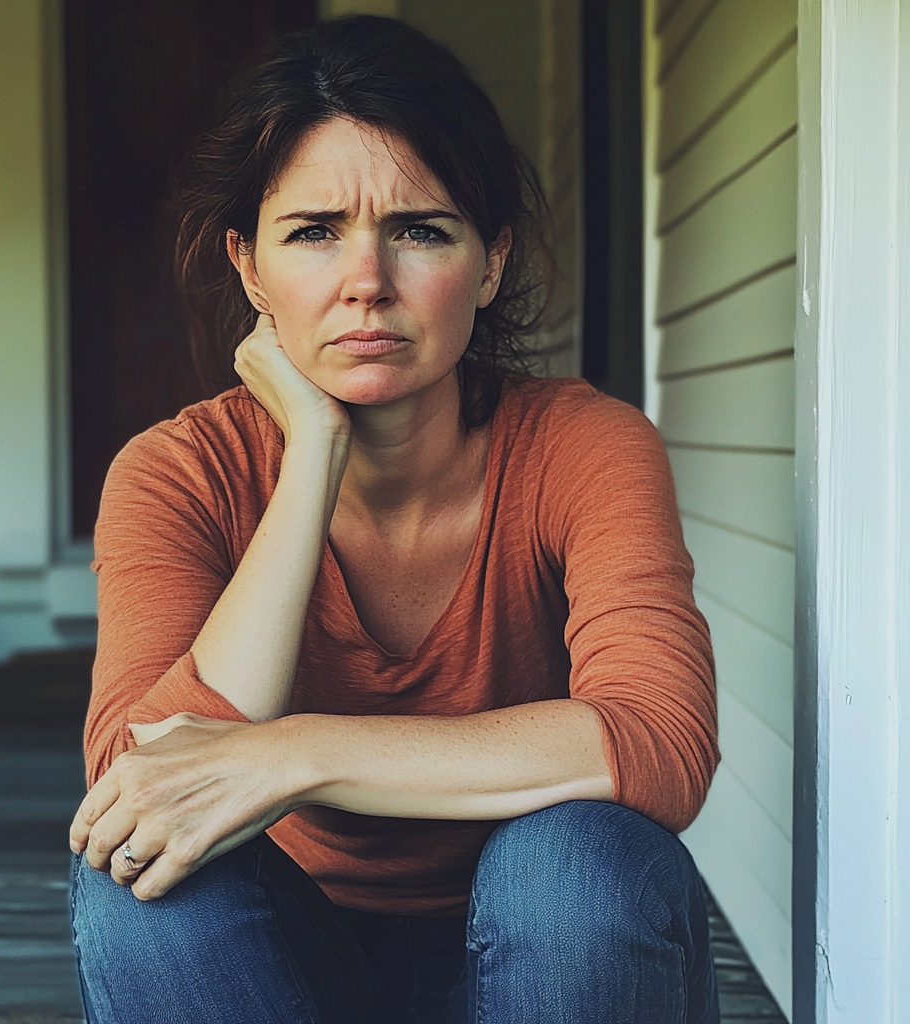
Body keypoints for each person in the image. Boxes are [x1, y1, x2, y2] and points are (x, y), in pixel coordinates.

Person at [67, 15, 720, 1024]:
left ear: (491, 261)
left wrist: (295, 753)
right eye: (313, 231)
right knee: (144, 878)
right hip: (273, 963)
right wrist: (313, 455)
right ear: (249, 269)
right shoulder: (178, 473)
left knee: (574, 862)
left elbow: (657, 743)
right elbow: (136, 781)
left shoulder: (584, 446)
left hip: (550, 956)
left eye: (420, 229)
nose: (366, 283)